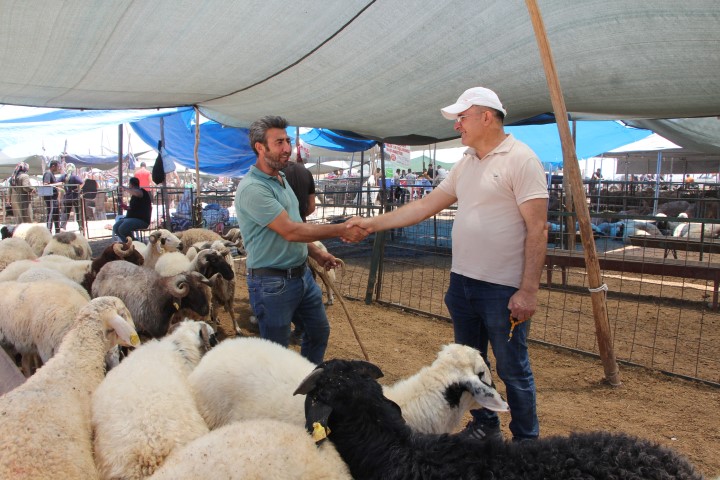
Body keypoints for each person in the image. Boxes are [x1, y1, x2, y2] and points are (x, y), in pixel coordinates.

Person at [345, 86, 548, 442]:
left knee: (513, 368)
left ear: (487, 117)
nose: (457, 125)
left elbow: (538, 228)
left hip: (502, 288)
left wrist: (528, 290)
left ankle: (527, 442)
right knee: (470, 367)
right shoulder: (466, 162)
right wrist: (372, 224)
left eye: (462, 117)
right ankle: (486, 427)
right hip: (463, 284)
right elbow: (424, 206)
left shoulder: (521, 159)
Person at [234, 115, 367, 364]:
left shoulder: (280, 179)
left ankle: (306, 387)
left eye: (287, 141)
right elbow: (291, 231)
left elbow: (295, 227)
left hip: (301, 276)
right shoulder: (253, 188)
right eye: (279, 142)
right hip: (272, 283)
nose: (287, 148)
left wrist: (317, 253)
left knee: (318, 332)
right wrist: (341, 229)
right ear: (260, 147)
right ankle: (279, 399)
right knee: (276, 354)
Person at [281, 154, 317, 344]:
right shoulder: (307, 173)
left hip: (279, 230)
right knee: (301, 273)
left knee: (282, 279)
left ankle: (291, 323)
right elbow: (311, 206)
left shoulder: (276, 175)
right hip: (302, 229)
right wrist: (299, 215)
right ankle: (303, 325)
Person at [112, 177, 152, 241]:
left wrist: (124, 188)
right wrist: (126, 207)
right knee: (115, 227)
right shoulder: (134, 195)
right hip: (130, 218)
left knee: (122, 228)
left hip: (141, 220)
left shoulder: (142, 192)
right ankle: (127, 243)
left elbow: (137, 193)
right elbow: (133, 208)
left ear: (131, 184)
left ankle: (134, 242)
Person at [60, 163, 84, 233]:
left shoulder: (63, 177)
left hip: (67, 197)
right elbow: (82, 183)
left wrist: (62, 189)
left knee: (65, 213)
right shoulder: (75, 177)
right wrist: (77, 189)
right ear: (73, 169)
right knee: (78, 212)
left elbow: (57, 183)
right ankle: (81, 227)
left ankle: (62, 227)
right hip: (75, 197)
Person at [42, 160, 64, 234]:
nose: (59, 168)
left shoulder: (51, 174)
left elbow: (51, 184)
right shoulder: (48, 173)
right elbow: (45, 184)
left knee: (56, 215)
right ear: (53, 166)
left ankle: (57, 232)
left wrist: (58, 188)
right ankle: (48, 232)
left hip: (54, 198)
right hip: (50, 198)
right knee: (51, 214)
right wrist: (57, 184)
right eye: (58, 166)